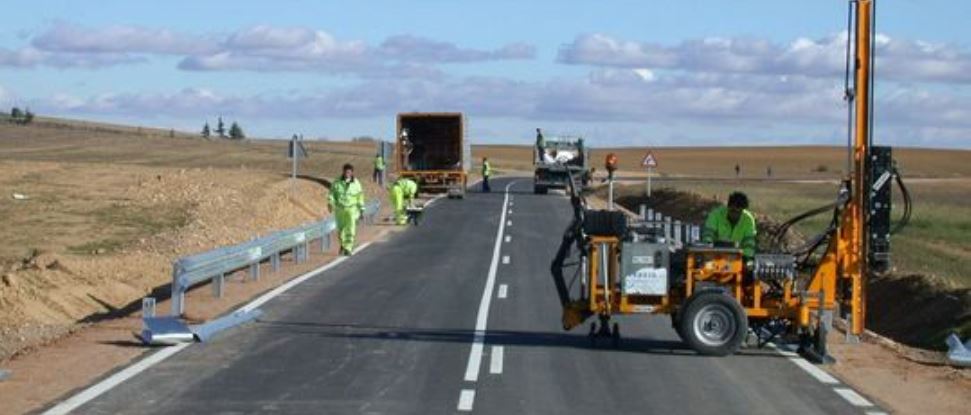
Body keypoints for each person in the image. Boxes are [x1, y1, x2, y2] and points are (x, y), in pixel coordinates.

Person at [702, 191, 757, 258]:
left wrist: (746, 258)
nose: (735, 215)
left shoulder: (748, 220)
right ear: (728, 207)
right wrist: (709, 253)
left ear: (742, 210)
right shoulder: (716, 215)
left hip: (737, 258)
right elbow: (708, 236)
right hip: (716, 256)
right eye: (732, 211)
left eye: (738, 212)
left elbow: (749, 244)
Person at [329, 164, 366, 255]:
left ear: (352, 172)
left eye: (349, 172)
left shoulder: (356, 183)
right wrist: (330, 203)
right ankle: (343, 245)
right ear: (343, 171)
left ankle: (348, 248)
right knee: (341, 230)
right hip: (340, 210)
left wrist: (361, 209)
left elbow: (360, 197)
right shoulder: (337, 182)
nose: (347, 174)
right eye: (346, 172)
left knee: (350, 229)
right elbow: (332, 194)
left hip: (352, 209)